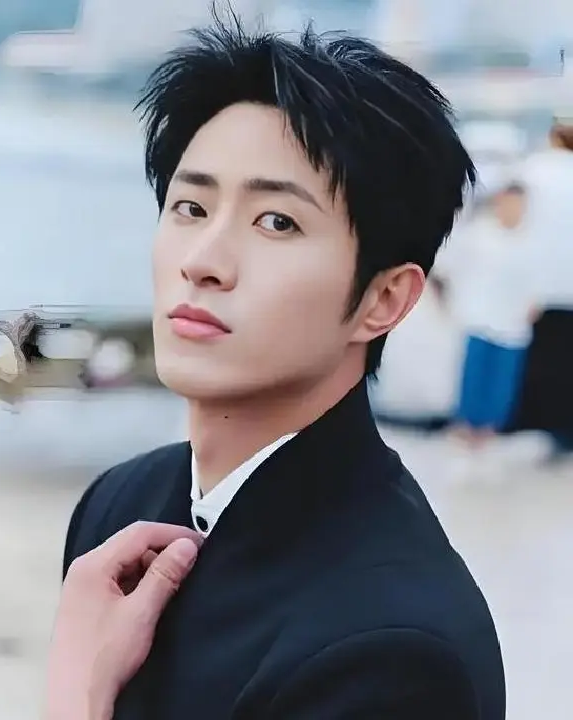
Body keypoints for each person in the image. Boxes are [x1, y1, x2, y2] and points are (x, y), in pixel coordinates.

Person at [57, 9, 505, 720]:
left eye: (277, 222)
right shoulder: (119, 505)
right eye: (190, 206)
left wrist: (74, 702)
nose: (203, 262)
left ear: (383, 300)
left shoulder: (393, 653)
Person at [447, 183, 535, 444]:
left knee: (502, 380)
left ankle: (490, 428)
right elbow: (455, 267)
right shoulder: (479, 235)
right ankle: (466, 425)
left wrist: (532, 304)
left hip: (513, 323)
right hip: (480, 317)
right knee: (475, 374)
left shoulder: (529, 241)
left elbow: (535, 280)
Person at [509, 122, 573, 454]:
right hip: (566, 285)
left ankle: (536, 423)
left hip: (538, 286)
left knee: (539, 358)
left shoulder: (533, 170)